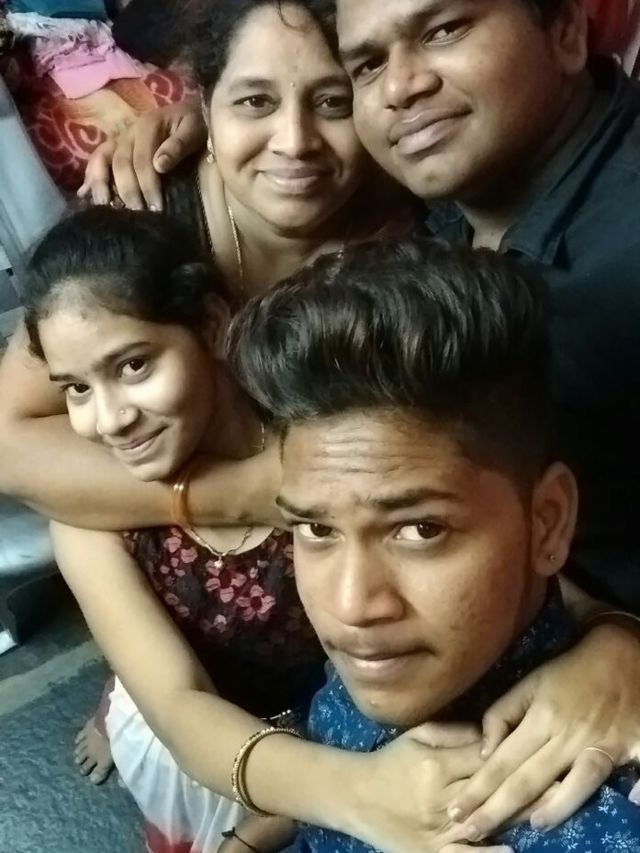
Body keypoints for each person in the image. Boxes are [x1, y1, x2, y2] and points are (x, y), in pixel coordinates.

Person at [85, 0, 640, 834]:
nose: (401, 87)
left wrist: (626, 646)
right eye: (368, 65)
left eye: (444, 29)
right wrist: (207, 117)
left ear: (565, 29)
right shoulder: (444, 192)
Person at [0, 0, 414, 785]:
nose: (293, 141)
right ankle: (135, 687)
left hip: (324, 531)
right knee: (157, 655)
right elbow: (9, 441)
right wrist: (231, 494)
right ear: (203, 103)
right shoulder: (149, 200)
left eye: (332, 101)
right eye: (253, 101)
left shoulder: (406, 233)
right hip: (198, 500)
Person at [24, 206, 510, 853]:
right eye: (76, 390)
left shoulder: (319, 446)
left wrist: (613, 636)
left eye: (134, 365)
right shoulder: (90, 514)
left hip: (358, 717)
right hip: (210, 743)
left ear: (211, 326)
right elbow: (179, 706)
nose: (110, 419)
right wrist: (345, 796)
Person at [227, 238, 640, 852]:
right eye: (317, 529)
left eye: (421, 530)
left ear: (548, 523)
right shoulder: (397, 658)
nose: (351, 606)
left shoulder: (606, 826)